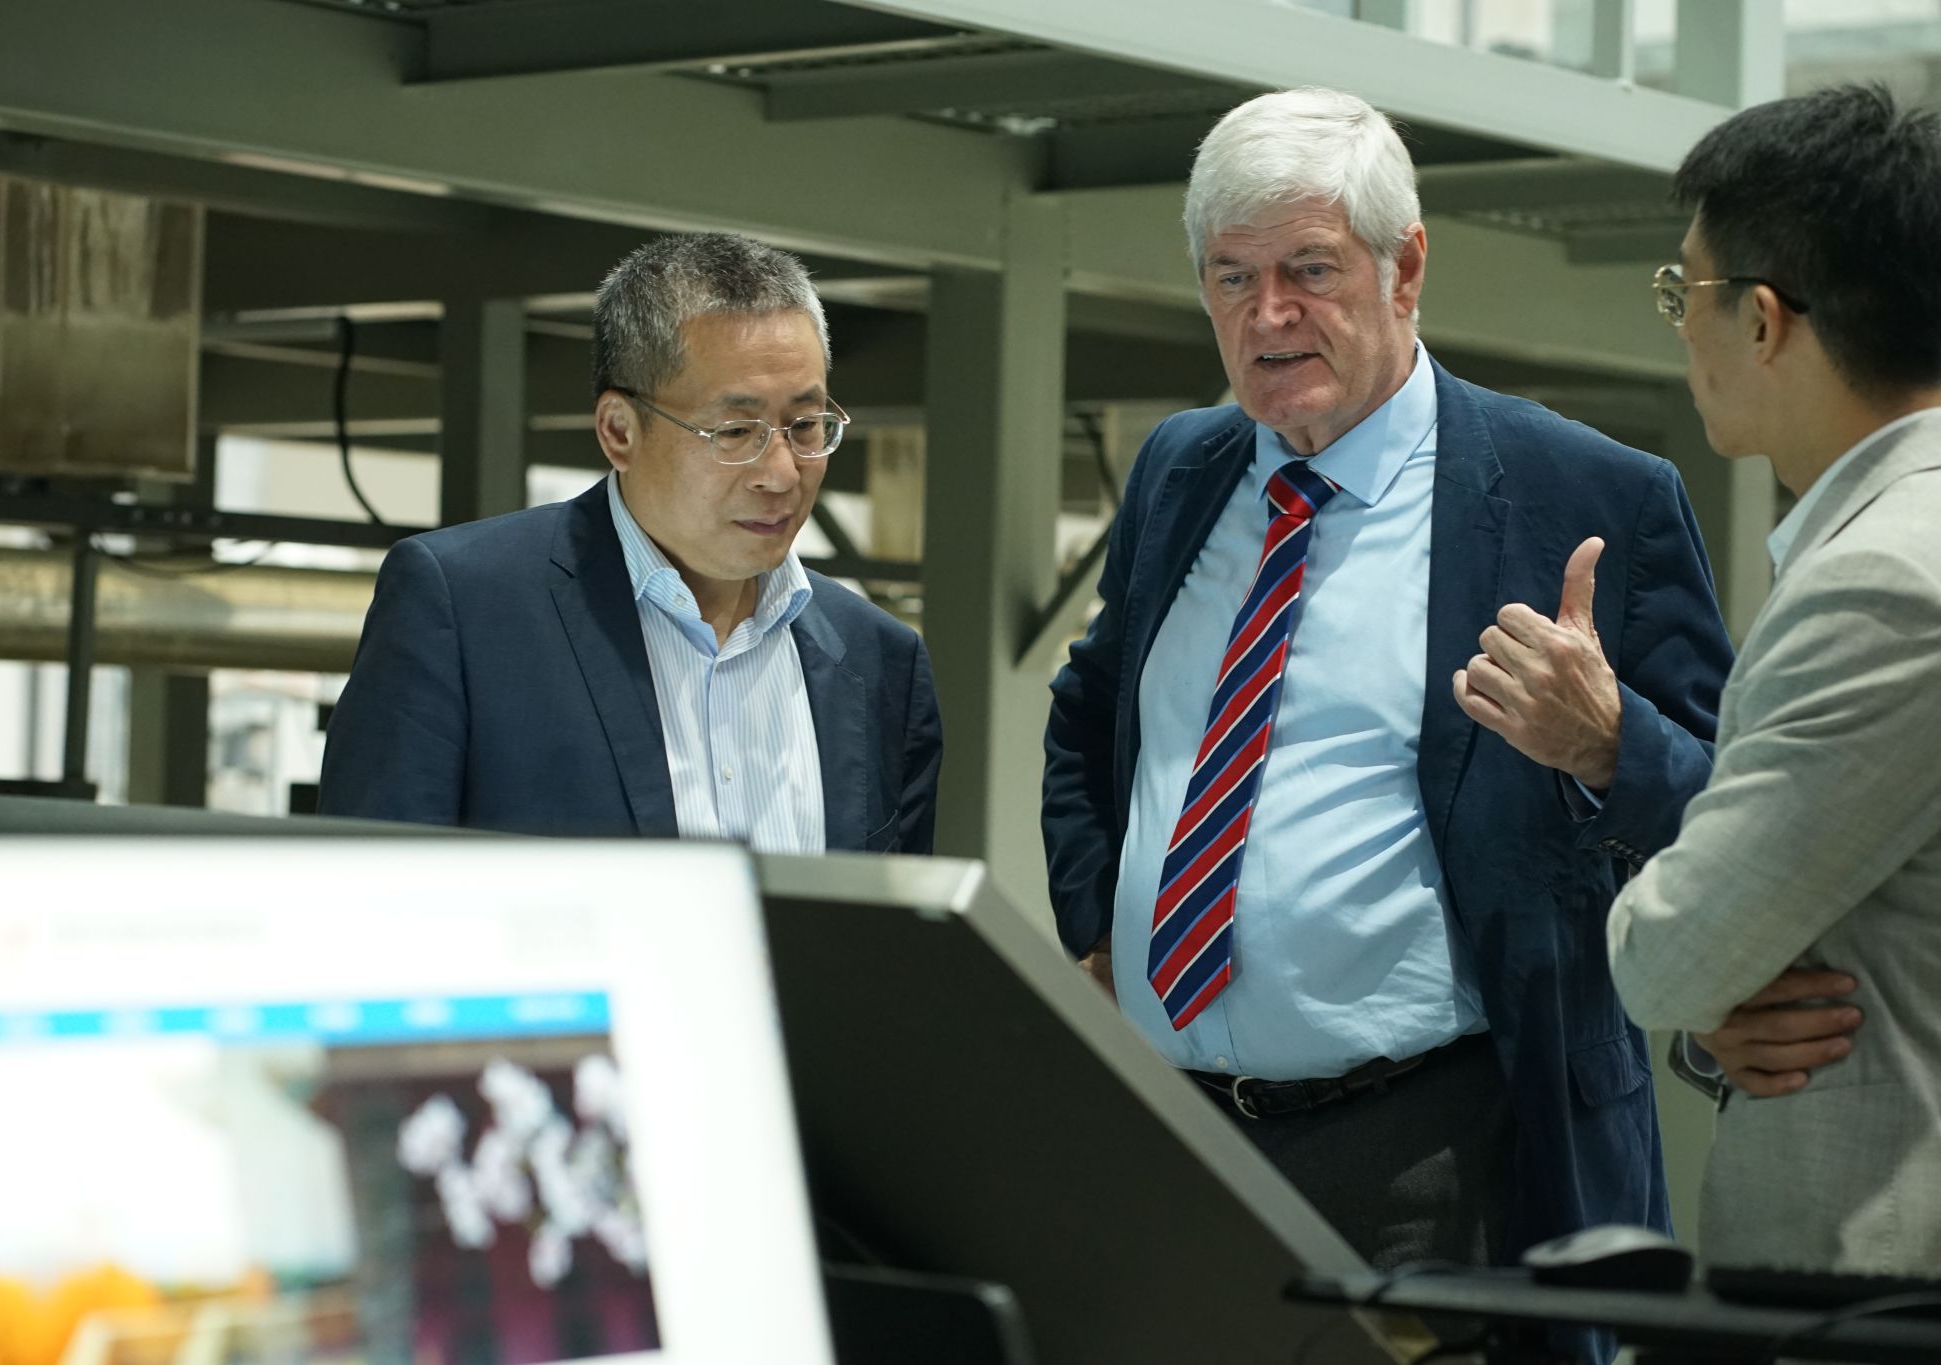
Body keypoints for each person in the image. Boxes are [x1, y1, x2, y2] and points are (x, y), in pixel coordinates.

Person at [1041, 86, 1732, 1291]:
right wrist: (1099, 927)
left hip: (1438, 1149)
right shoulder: (1178, 467)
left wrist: (1608, 740)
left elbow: (1730, 814)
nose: (1268, 315)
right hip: (1172, 1133)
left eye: (1308, 270)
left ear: (1403, 267)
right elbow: (1089, 712)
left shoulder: (1587, 497)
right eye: (1231, 277)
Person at [1608, 84, 1941, 1274]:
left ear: (1759, 319)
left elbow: (1670, 953)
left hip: (1872, 1284)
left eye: (1679, 293)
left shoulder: (1883, 584)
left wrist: (1699, 984)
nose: (1679, 330)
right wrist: (1717, 1012)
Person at [320, 232, 941, 854]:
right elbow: (368, 891)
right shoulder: (466, 612)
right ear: (619, 431)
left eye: (805, 426)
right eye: (735, 431)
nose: (781, 473)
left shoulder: (880, 662)